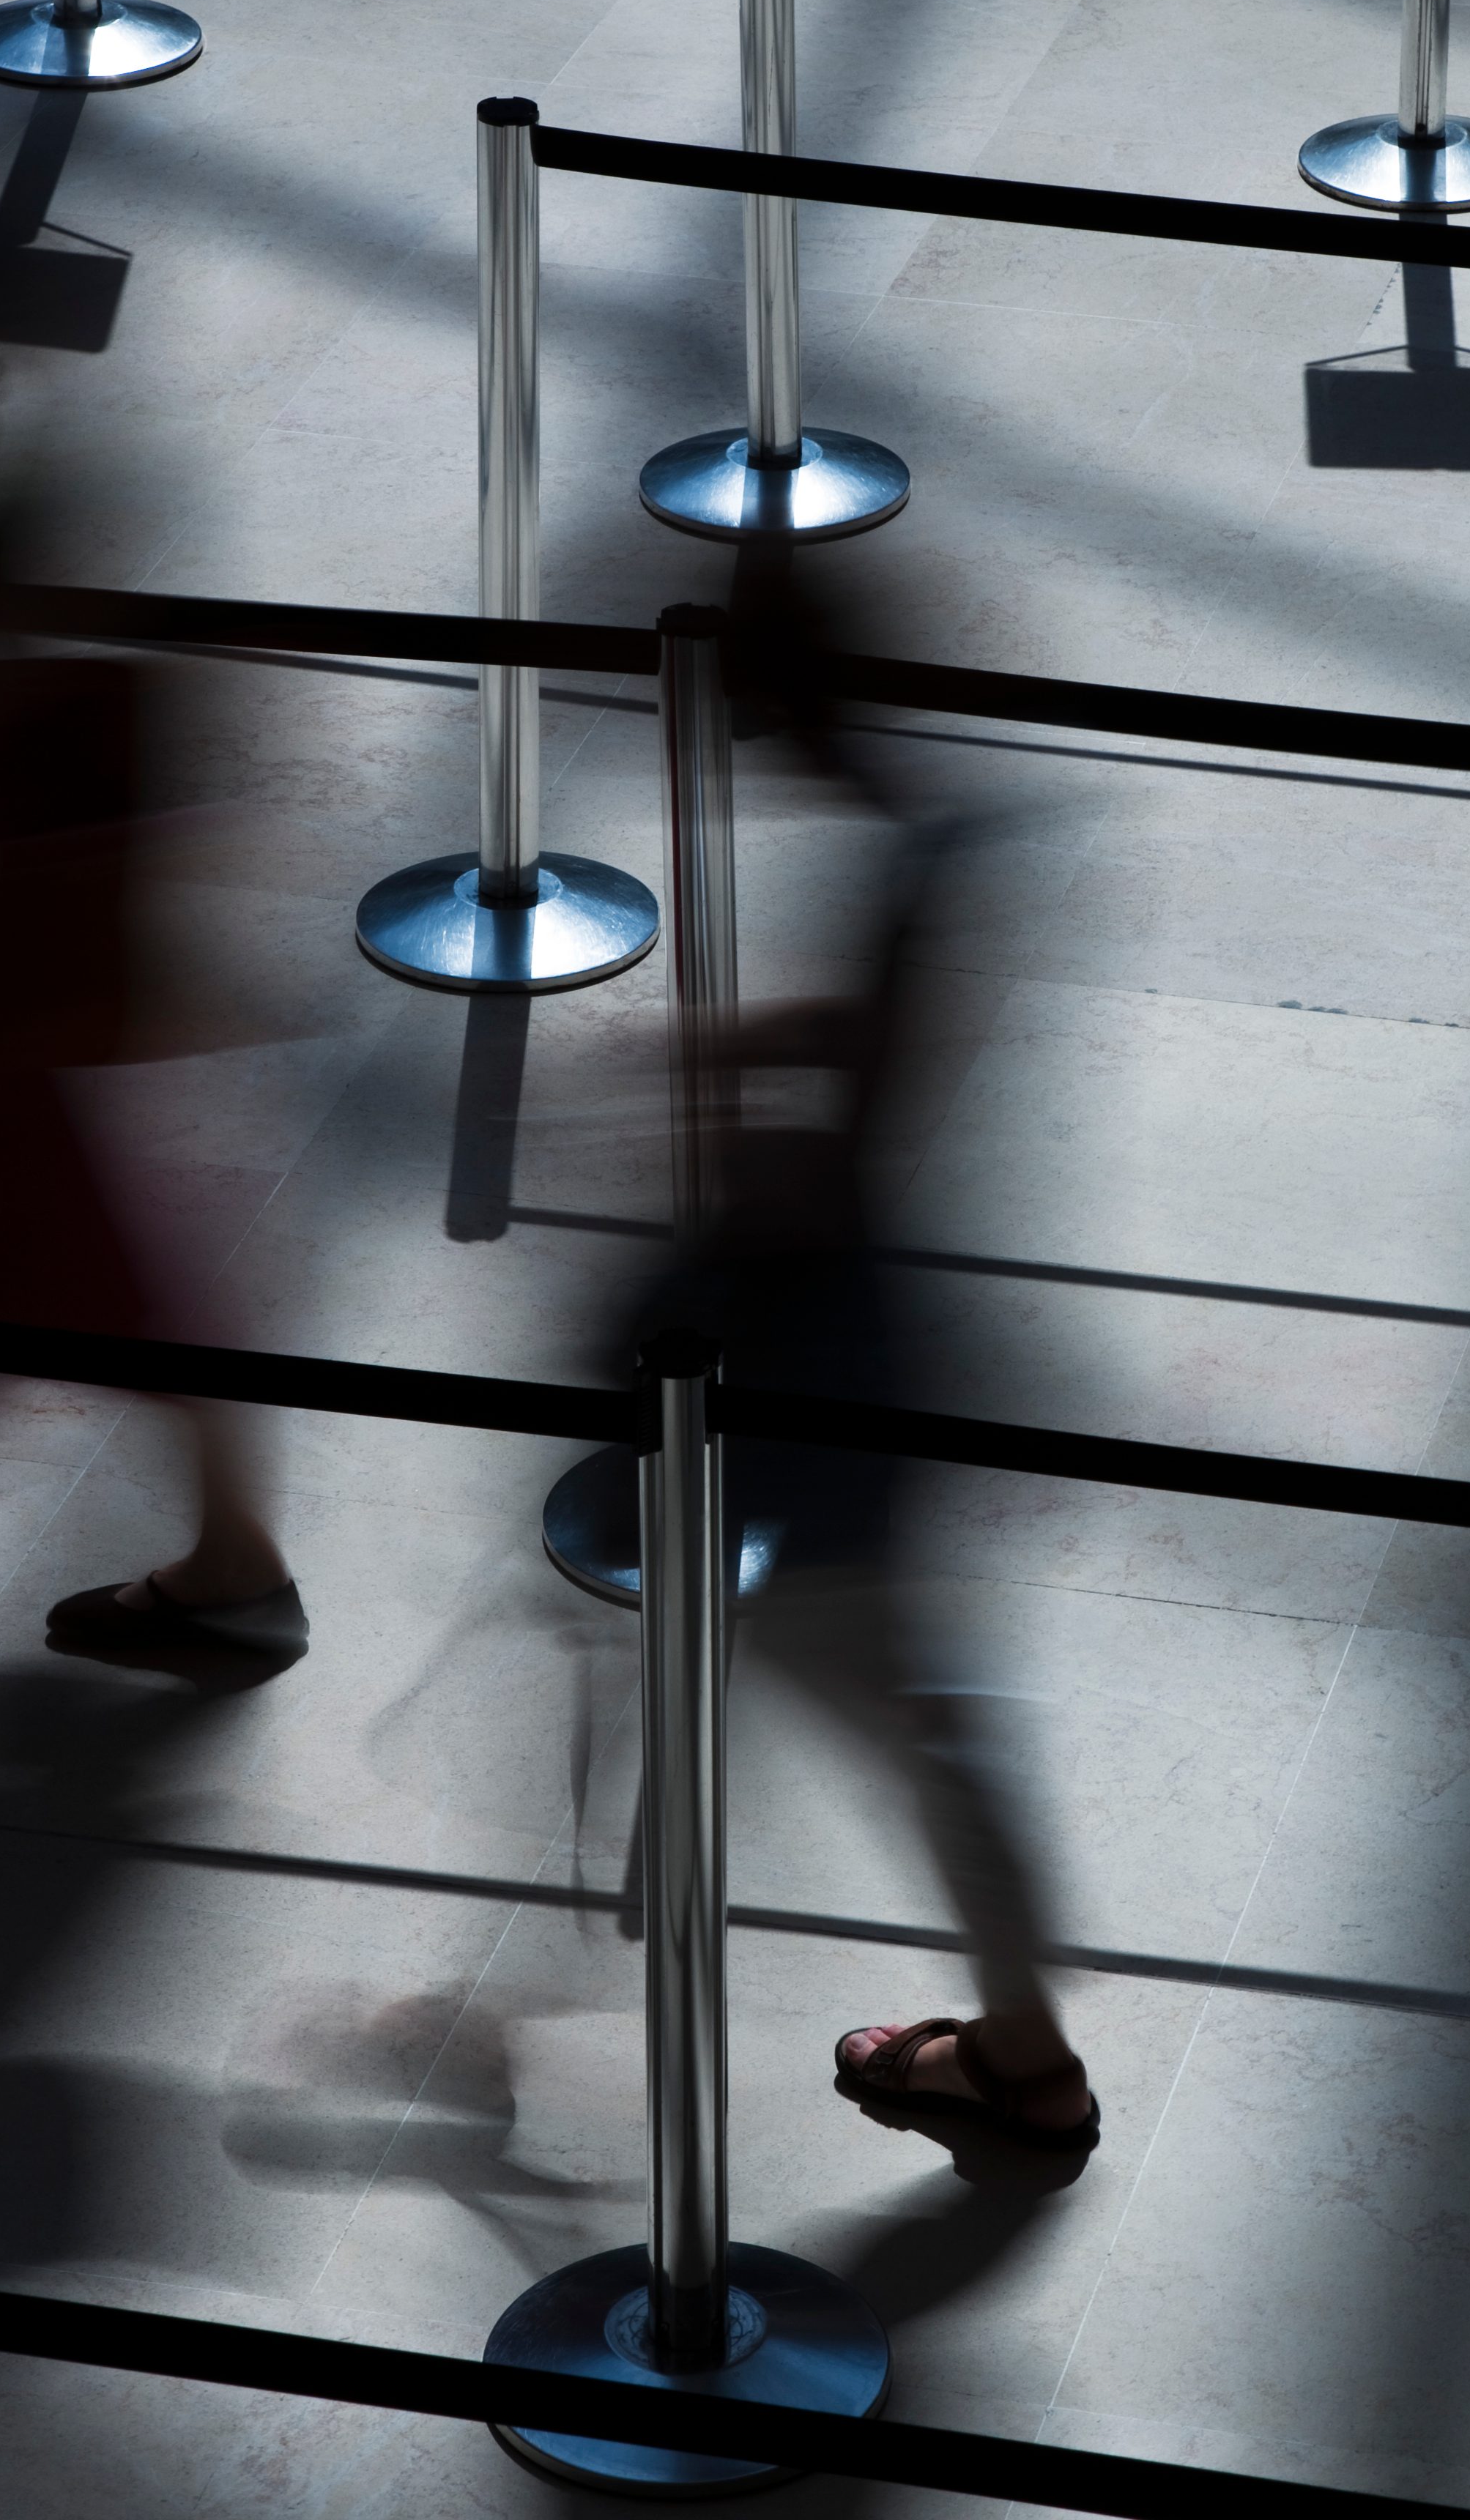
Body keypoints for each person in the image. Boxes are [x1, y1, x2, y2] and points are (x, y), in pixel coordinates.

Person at [664, 553, 1095, 2147]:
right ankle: (1019, 2039)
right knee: (906, 1704)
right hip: (877, 1335)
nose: (752, 745)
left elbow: (847, 1160)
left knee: (898, 1703)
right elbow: (881, 1063)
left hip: (838, 1358)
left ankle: (1029, 2057)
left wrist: (713, 1141)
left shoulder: (924, 855)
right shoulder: (934, 834)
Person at [0, 375, 302, 1688]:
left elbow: (90, 878)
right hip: (33, 1048)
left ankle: (240, 1568)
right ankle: (234, 1563)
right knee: (126, 1310)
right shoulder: (67, 694)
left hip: (31, 1052)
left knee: (134, 1312)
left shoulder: (41, 705)